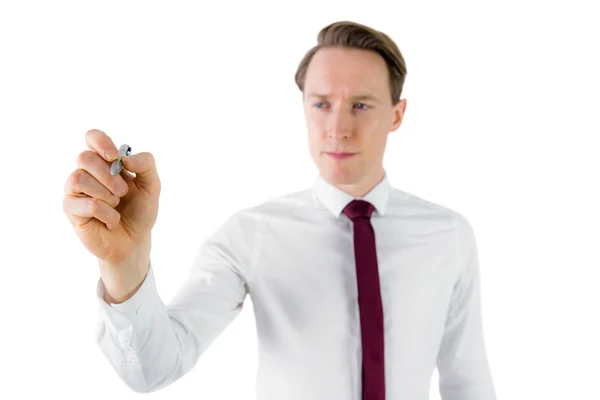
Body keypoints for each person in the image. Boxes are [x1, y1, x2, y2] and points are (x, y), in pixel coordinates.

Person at [63, 20, 496, 399]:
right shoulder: (251, 235)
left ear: (397, 115)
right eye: (321, 103)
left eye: (361, 105)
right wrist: (124, 262)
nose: (338, 129)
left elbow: (468, 384)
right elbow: (154, 368)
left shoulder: (448, 237)